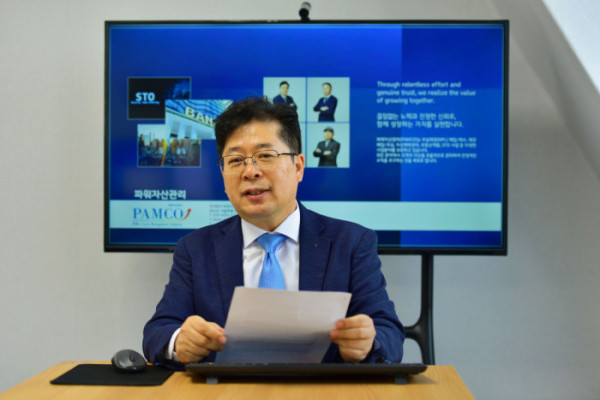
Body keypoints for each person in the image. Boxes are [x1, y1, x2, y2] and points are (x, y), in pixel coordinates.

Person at [142, 97, 404, 369]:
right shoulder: (196, 249)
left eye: (265, 156)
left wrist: (367, 342)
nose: (250, 171)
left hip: (320, 390)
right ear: (222, 173)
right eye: (236, 160)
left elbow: (389, 333)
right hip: (228, 390)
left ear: (298, 167)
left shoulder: (351, 243)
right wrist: (179, 341)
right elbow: (158, 331)